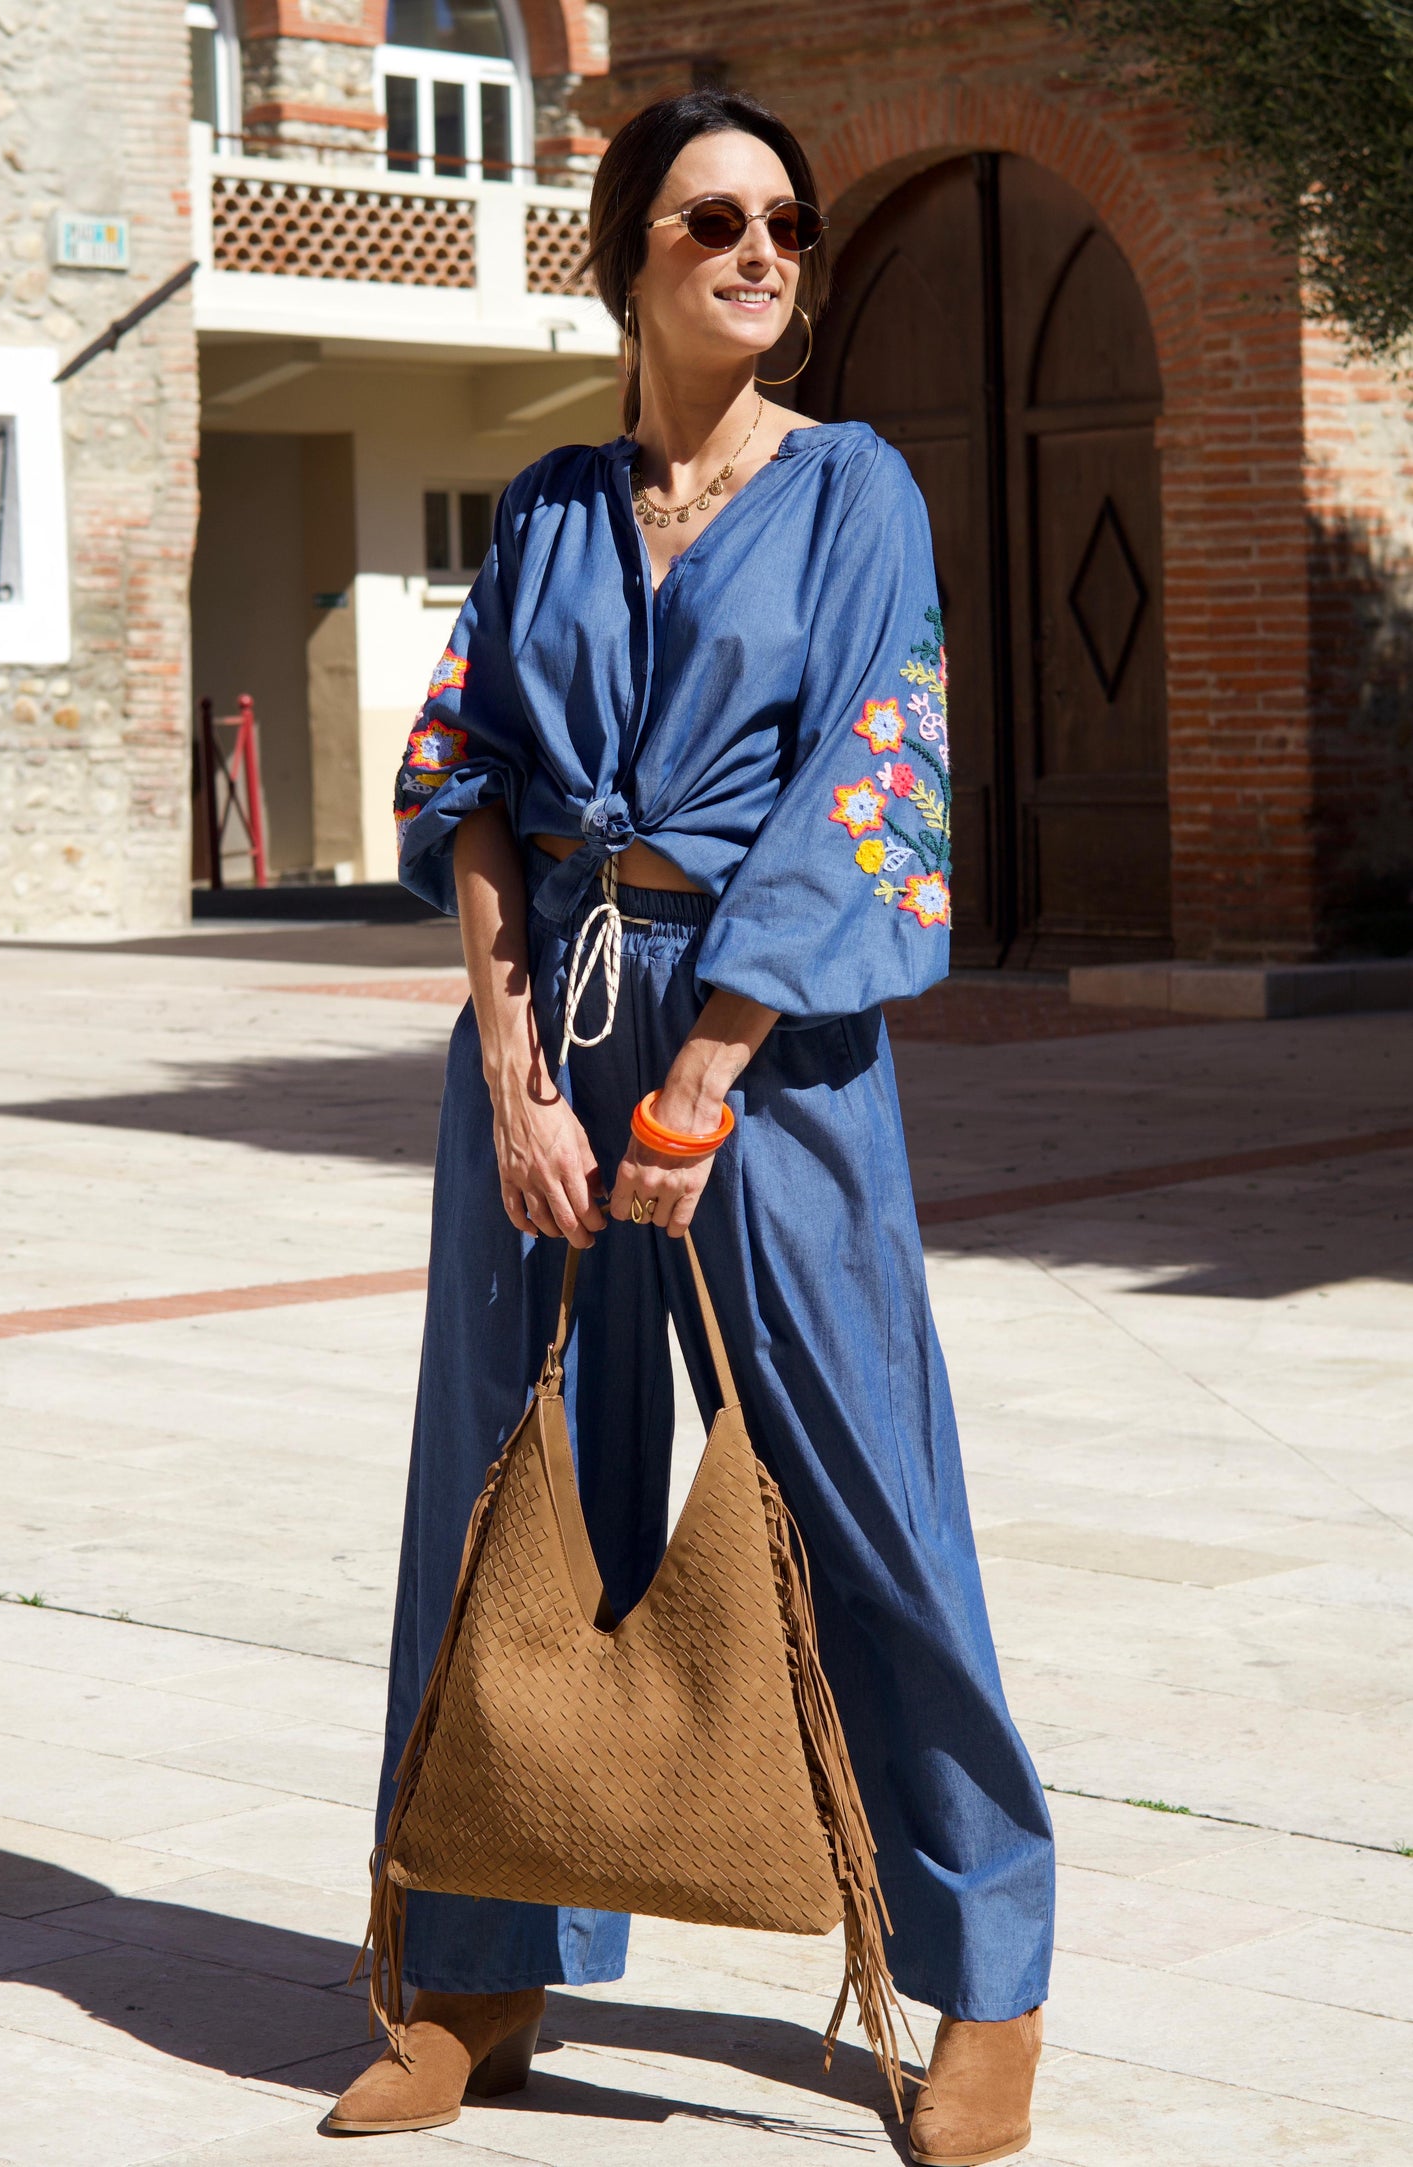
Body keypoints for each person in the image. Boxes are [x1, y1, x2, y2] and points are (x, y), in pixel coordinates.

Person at [327, 89, 1054, 2167]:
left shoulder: (858, 495)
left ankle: (980, 1972)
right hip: (546, 1044)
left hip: (773, 1047)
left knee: (861, 1488)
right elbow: (468, 779)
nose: (759, 250)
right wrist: (512, 1080)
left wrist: (699, 1081)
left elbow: (869, 783)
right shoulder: (552, 504)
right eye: (711, 218)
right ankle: (473, 1962)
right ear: (626, 254)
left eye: (788, 225)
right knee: (500, 1478)